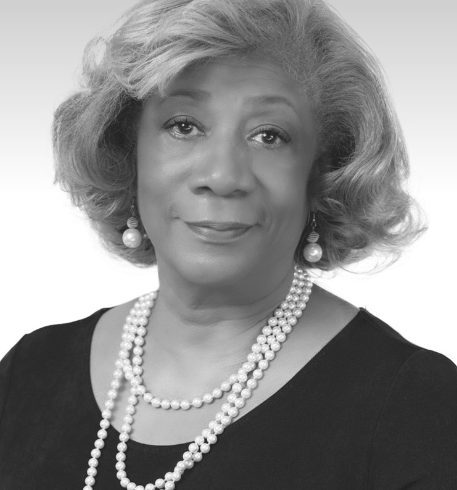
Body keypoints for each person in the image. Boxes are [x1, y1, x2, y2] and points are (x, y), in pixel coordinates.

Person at [0, 0, 456, 488]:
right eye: (184, 126)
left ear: (323, 176)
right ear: (126, 154)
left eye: (269, 136)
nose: (221, 176)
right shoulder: (31, 370)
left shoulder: (415, 405)